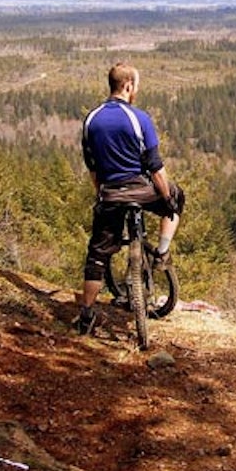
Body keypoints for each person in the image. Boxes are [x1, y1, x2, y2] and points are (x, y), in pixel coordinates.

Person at [74, 62, 185, 335]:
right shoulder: (139, 118)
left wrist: (101, 194)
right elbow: (155, 166)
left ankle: (87, 314)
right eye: (136, 85)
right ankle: (161, 252)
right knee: (177, 198)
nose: (137, 89)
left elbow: (93, 168)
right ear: (127, 86)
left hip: (110, 192)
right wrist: (167, 197)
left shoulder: (91, 120)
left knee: (97, 256)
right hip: (141, 190)